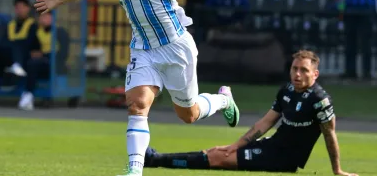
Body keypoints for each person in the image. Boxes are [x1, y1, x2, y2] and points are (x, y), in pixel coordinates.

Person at [34, 0, 284, 176]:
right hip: (143, 48)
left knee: (189, 115)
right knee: (137, 104)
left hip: (176, 47)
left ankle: (223, 100)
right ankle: (134, 170)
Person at [144, 50, 358, 176]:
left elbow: (330, 135)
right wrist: (235, 146)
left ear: (316, 74)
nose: (297, 74)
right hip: (271, 147)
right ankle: (154, 159)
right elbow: (263, 124)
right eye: (294, 69)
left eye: (304, 70)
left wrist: (337, 170)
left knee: (218, 159)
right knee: (216, 154)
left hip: (282, 160)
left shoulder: (320, 100)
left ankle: (154, 159)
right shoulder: (287, 90)